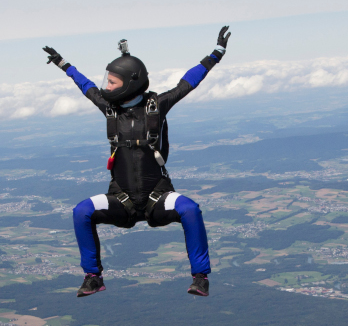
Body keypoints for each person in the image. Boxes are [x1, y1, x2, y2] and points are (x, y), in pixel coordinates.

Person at [43, 27, 230, 297]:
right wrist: (63, 64)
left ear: (130, 83)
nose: (106, 86)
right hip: (122, 200)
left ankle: (200, 277)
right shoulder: (110, 109)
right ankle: (93, 277)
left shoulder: (157, 106)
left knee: (190, 209)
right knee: (81, 211)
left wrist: (217, 54)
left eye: (112, 82)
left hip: (158, 197)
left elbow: (188, 82)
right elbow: (85, 85)